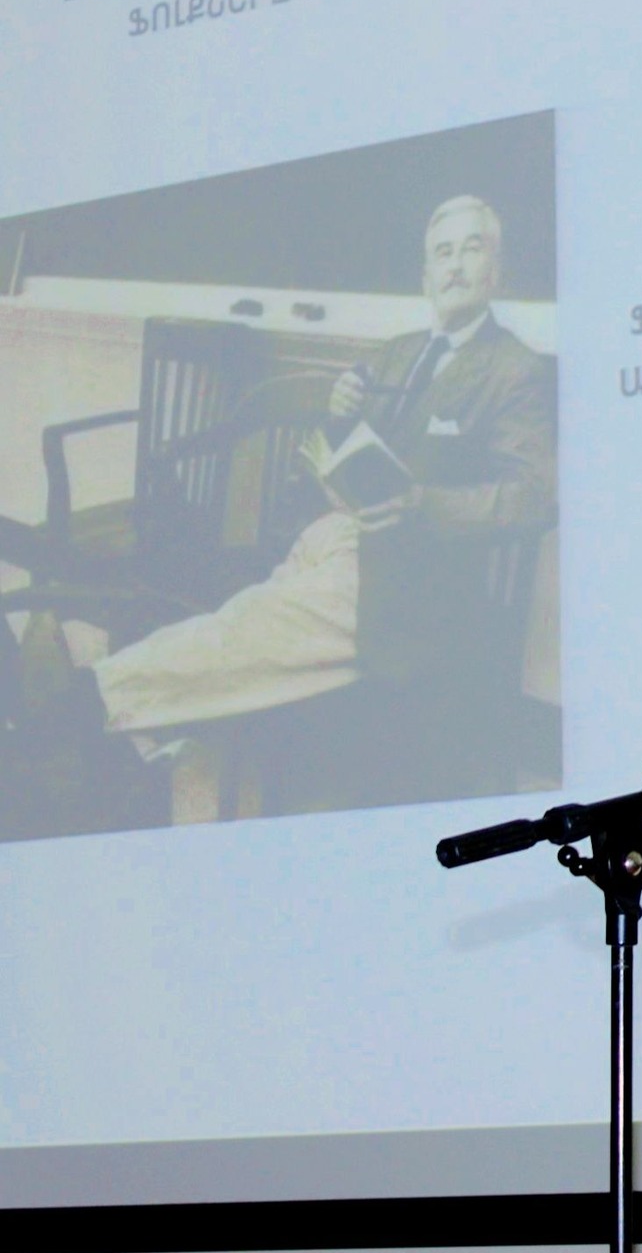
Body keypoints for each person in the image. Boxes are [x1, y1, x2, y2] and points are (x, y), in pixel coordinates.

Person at [1, 195, 553, 834]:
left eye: (472, 249)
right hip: (339, 537)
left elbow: (534, 495)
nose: (455, 266)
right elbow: (355, 453)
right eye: (443, 253)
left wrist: (424, 503)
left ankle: (82, 704)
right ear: (425, 276)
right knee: (244, 628)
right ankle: (140, 741)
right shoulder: (401, 352)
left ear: (497, 270)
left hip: (413, 573)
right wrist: (340, 416)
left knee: (251, 634)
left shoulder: (514, 369)